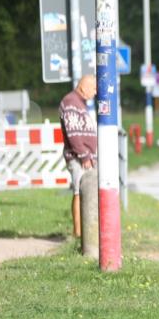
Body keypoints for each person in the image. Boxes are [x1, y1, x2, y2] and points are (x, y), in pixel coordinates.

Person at [58, 74, 97, 238]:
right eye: (93, 88)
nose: (95, 92)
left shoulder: (79, 103)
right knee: (78, 192)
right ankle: (78, 233)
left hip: (85, 157)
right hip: (78, 158)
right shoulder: (71, 102)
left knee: (84, 192)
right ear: (83, 87)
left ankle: (85, 231)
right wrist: (84, 156)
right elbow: (73, 133)